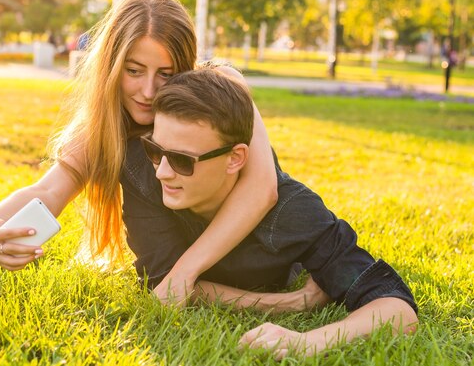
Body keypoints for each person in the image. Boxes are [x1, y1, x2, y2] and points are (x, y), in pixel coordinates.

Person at [0, 0, 283, 305]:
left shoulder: (222, 87)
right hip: (168, 267)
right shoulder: (105, 127)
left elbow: (262, 188)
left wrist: (183, 273)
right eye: (133, 71)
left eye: (166, 74)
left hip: (259, 251)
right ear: (112, 66)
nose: (147, 91)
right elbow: (48, 192)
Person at [121, 69, 418, 358]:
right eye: (155, 150)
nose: (162, 171)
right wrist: (288, 304)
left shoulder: (292, 213)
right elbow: (164, 282)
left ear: (235, 158)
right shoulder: (143, 175)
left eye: (181, 160)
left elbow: (397, 308)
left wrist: (308, 342)